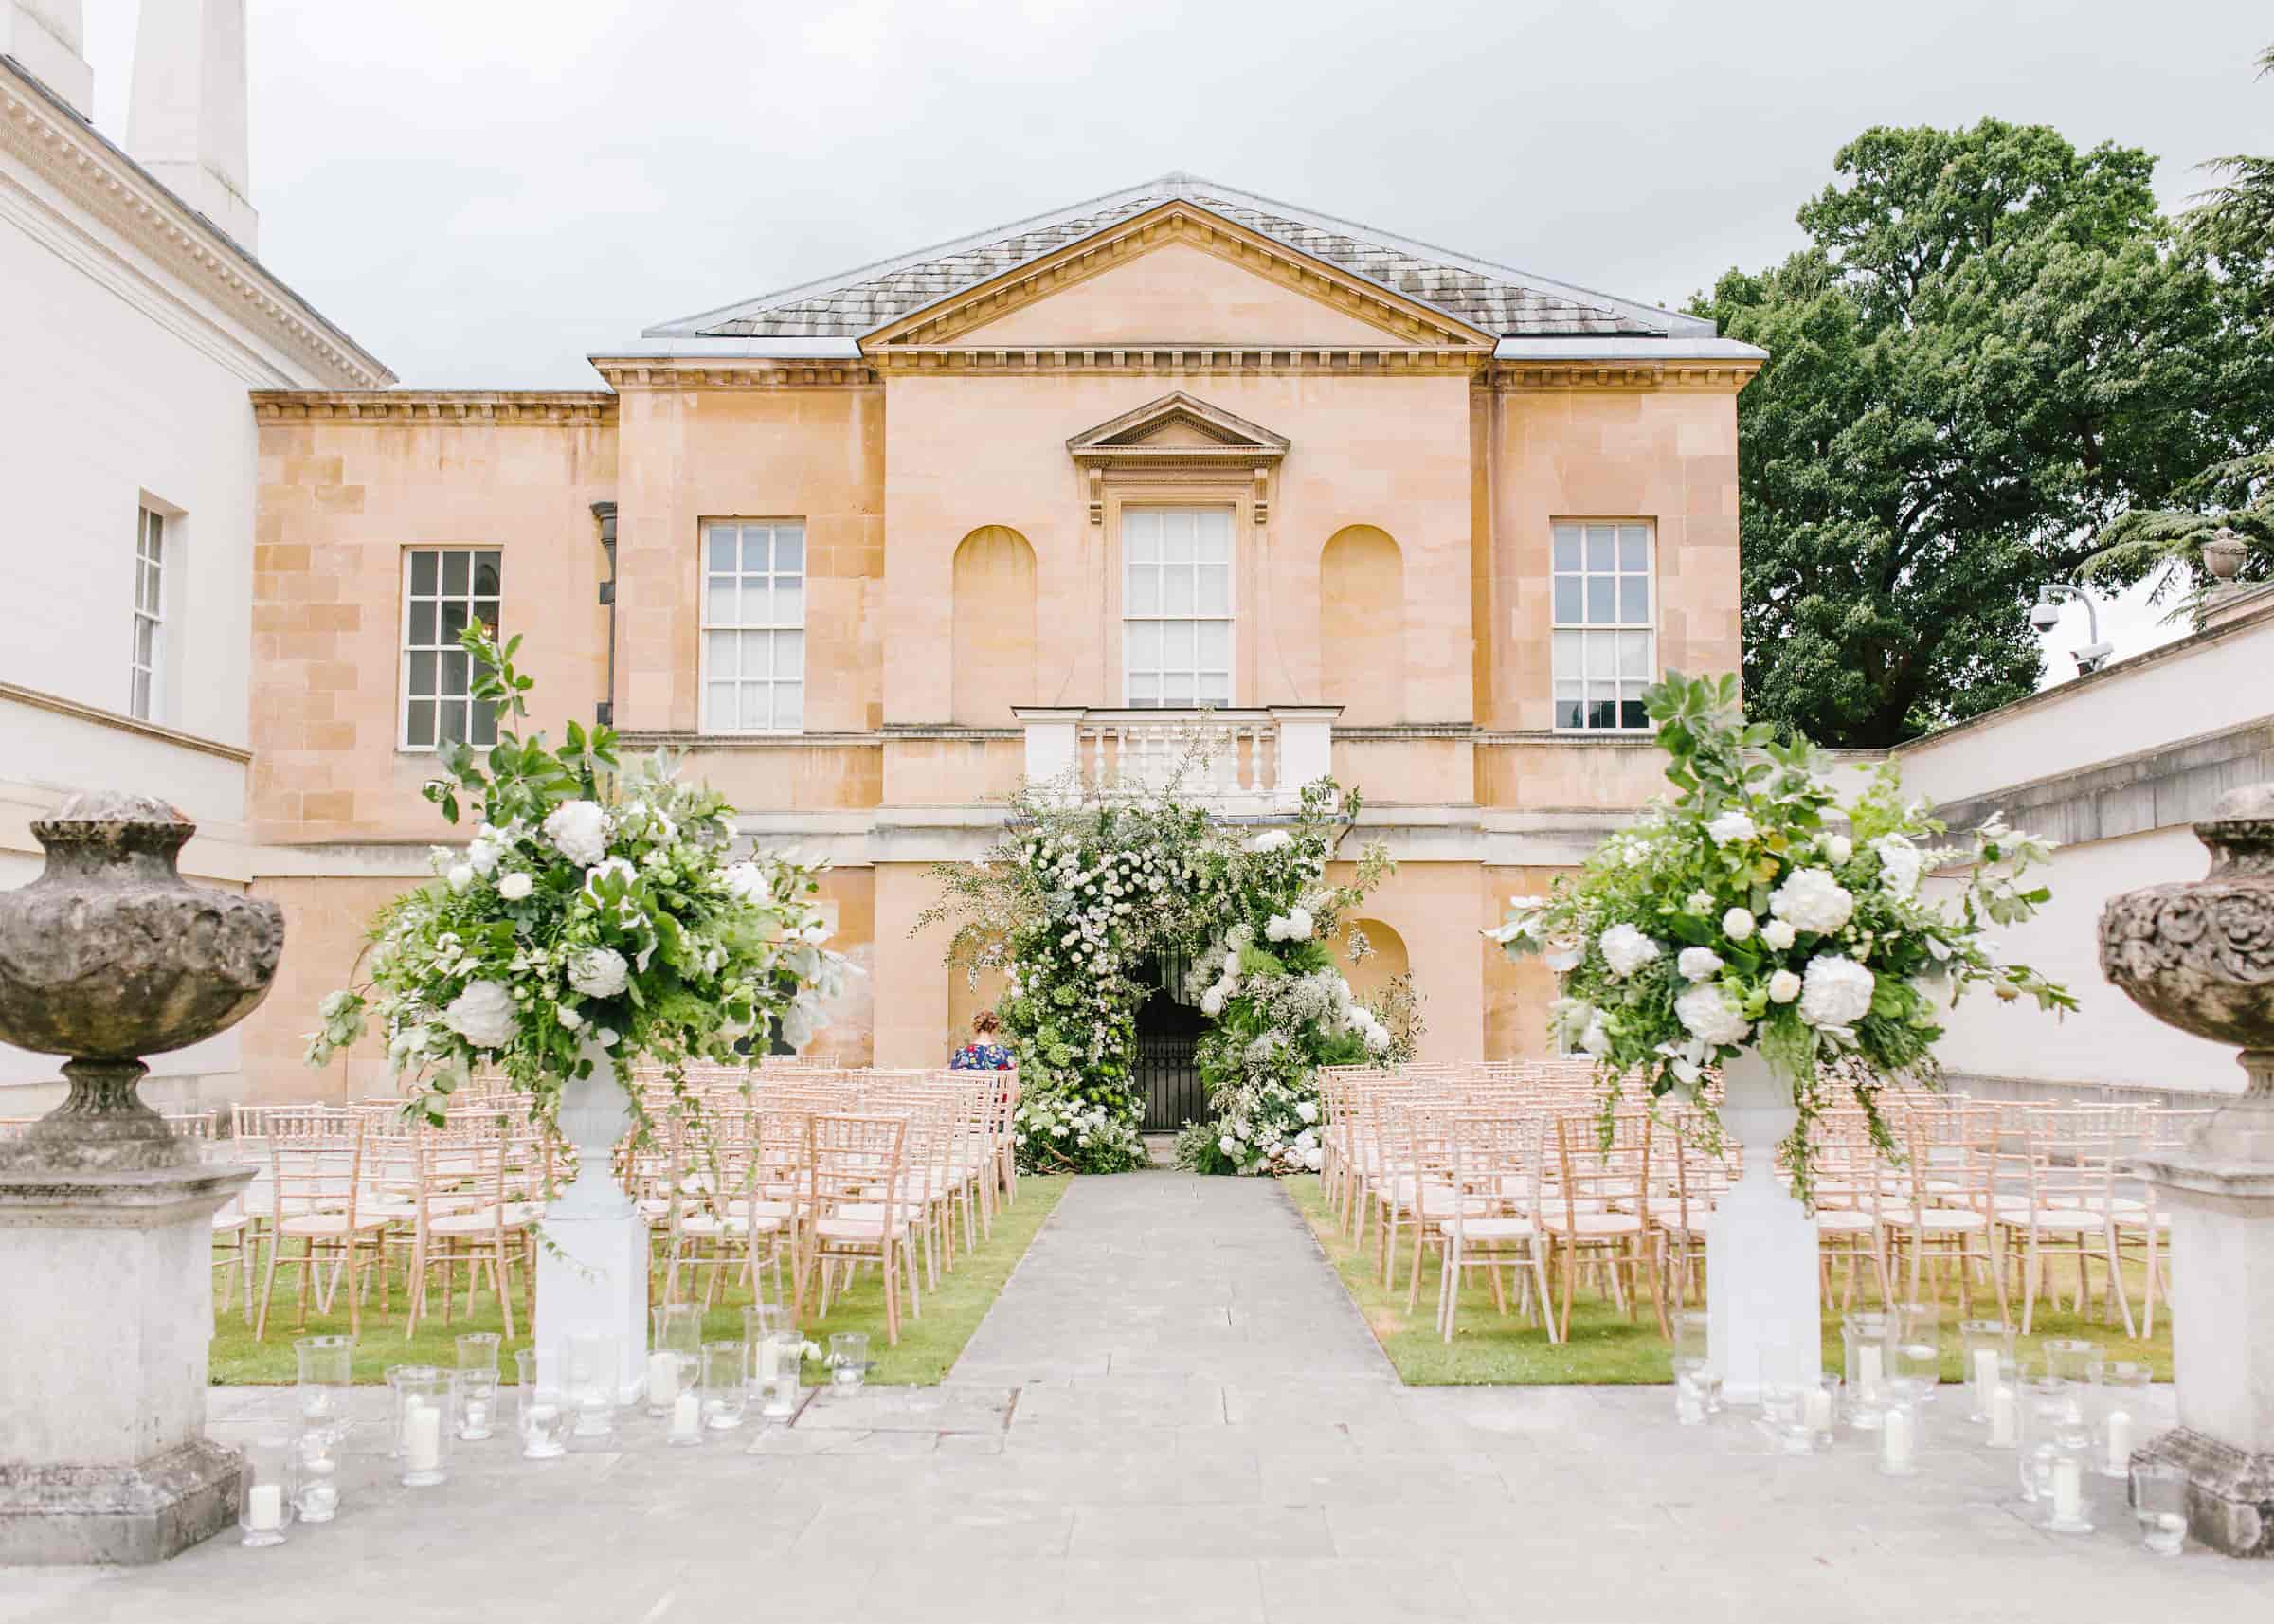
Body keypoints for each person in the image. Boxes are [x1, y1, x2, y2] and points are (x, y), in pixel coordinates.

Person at [949, 1009, 1016, 1073]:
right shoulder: (1005, 1054)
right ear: (995, 1029)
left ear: (976, 1028)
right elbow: (1013, 1081)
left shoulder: (962, 1054)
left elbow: (953, 1079)